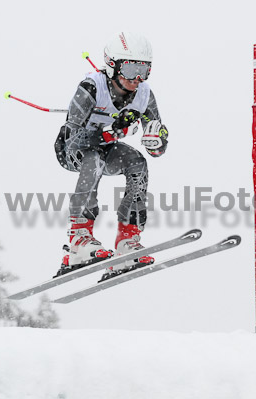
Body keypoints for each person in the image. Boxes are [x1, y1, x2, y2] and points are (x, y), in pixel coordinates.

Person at [54, 32, 169, 282]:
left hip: (106, 149)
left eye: (144, 70)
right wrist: (111, 131)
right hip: (72, 150)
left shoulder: (144, 94)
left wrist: (156, 142)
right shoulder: (91, 87)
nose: (136, 78)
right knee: (93, 157)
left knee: (138, 163)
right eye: (130, 69)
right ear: (112, 65)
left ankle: (127, 239)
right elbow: (73, 136)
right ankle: (78, 239)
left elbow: (159, 142)